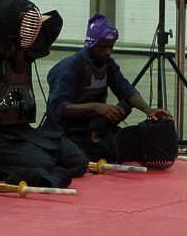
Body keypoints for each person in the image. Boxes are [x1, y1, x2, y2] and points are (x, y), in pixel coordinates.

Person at [0, 0, 88, 186]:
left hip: (25, 132)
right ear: (10, 24)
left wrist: (30, 14)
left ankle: (44, 172)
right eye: (24, 24)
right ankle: (1, 167)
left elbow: (54, 22)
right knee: (45, 163)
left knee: (78, 161)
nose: (30, 31)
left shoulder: (25, 51)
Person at [45, 13, 171, 163]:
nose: (108, 52)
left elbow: (126, 90)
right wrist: (96, 107)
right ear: (91, 44)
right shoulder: (70, 67)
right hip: (67, 130)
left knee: (133, 145)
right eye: (103, 47)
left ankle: (100, 139)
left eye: (111, 47)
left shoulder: (108, 64)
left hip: (93, 126)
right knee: (103, 153)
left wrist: (148, 110)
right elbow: (58, 108)